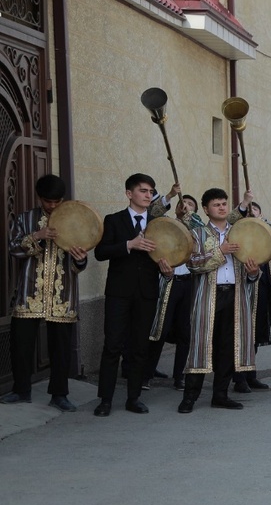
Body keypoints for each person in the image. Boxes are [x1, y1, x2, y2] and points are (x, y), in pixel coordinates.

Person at [3, 174, 89, 411]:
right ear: (39, 198)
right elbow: (13, 249)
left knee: (61, 348)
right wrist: (37, 236)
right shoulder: (25, 218)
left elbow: (81, 261)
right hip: (29, 292)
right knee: (21, 344)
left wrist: (80, 259)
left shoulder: (74, 220)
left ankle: (59, 394)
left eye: (56, 201)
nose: (52, 206)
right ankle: (21, 390)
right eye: (47, 201)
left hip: (62, 294)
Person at [177, 188, 260, 413]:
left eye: (224, 203)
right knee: (200, 345)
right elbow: (193, 264)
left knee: (228, 346)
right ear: (206, 209)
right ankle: (189, 397)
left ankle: (220, 395)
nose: (222, 207)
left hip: (235, 294)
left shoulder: (241, 232)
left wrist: (253, 272)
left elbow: (253, 263)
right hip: (208, 295)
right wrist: (221, 252)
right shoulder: (197, 234)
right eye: (216, 204)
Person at [93, 173, 164, 416]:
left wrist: (167, 270)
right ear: (129, 193)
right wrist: (129, 245)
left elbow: (166, 256)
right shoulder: (114, 220)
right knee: (112, 345)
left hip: (147, 293)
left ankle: (134, 398)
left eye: (151, 191)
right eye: (143, 190)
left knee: (140, 347)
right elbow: (100, 252)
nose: (148, 195)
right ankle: (105, 400)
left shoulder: (158, 223)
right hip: (118, 293)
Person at [146, 194, 202, 391]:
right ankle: (147, 373)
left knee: (185, 332)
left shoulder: (197, 229)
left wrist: (189, 217)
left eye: (190, 204)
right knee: (160, 328)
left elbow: (201, 231)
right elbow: (153, 213)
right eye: (182, 202)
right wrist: (170, 195)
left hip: (189, 284)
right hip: (169, 282)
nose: (185, 206)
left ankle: (180, 376)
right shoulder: (166, 224)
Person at [231, 201, 271, 393]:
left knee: (255, 334)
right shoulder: (239, 233)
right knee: (243, 334)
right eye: (249, 210)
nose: (251, 212)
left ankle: (250, 374)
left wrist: (260, 222)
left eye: (255, 210)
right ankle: (239, 378)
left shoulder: (266, 233)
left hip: (263, 285)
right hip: (246, 287)